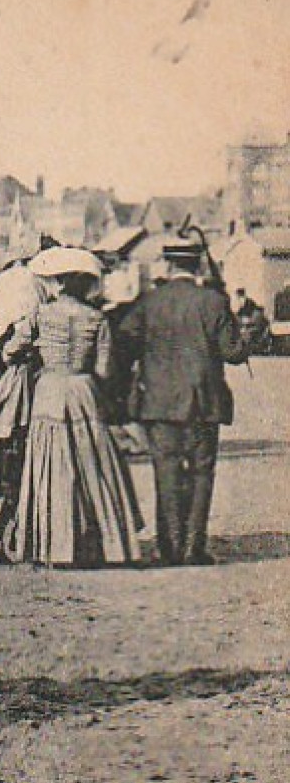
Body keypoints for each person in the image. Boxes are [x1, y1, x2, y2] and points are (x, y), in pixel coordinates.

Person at [117, 239, 249, 566]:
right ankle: (194, 547)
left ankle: (169, 547)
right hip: (204, 403)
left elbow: (123, 344)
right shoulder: (214, 302)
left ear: (169, 264)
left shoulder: (148, 302)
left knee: (166, 472)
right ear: (197, 266)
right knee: (202, 473)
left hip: (159, 404)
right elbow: (233, 352)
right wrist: (247, 334)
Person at [6, 253, 143, 567]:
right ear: (86, 285)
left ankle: (54, 544)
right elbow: (105, 369)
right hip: (83, 391)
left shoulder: (41, 315)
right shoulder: (97, 319)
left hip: (50, 391)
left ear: (59, 281)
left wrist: (30, 355)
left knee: (52, 465)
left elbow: (11, 350)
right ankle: (102, 543)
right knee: (91, 465)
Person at [0, 251, 51, 563]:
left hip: (12, 408)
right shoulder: (24, 334)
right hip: (25, 405)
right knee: (24, 470)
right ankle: (11, 530)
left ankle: (16, 532)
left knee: (23, 470)